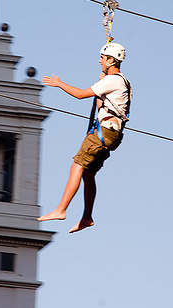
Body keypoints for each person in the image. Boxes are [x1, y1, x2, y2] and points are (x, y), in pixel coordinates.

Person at [38, 42, 132, 233]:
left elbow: (80, 95)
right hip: (112, 134)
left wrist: (59, 83)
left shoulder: (112, 81)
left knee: (77, 166)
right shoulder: (122, 82)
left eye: (103, 58)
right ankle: (87, 217)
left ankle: (60, 210)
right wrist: (101, 85)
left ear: (111, 60)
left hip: (103, 132)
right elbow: (100, 107)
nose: (99, 61)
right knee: (88, 173)